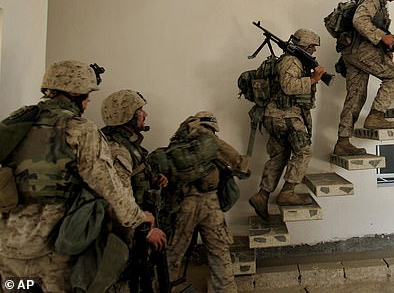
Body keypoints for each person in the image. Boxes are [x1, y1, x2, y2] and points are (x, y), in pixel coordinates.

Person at [0, 60, 151, 292]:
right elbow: (110, 189)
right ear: (74, 93)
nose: (89, 101)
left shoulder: (17, 123)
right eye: (87, 94)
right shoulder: (80, 130)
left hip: (9, 248)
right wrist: (140, 218)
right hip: (51, 253)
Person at [152, 111, 249, 293]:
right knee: (219, 251)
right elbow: (238, 163)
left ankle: (162, 287)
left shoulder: (181, 140)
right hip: (209, 202)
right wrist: (243, 166)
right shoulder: (209, 138)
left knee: (174, 251)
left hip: (183, 202)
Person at [249, 28, 326, 220]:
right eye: (313, 46)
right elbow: (288, 86)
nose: (315, 50)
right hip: (285, 116)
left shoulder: (294, 61)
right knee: (304, 150)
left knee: (280, 155)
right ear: (306, 46)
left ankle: (262, 195)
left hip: (276, 116)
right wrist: (313, 79)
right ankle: (288, 192)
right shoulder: (291, 61)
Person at [100, 89, 168, 289]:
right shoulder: (117, 149)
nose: (145, 114)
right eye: (140, 110)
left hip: (136, 227)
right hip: (127, 233)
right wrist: (144, 231)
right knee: (124, 282)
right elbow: (117, 198)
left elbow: (132, 178)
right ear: (126, 116)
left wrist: (153, 180)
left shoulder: (129, 145)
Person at [332, 0, 394, 156]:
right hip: (360, 50)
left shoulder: (378, 3)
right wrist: (382, 37)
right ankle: (376, 115)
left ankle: (342, 142)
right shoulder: (373, 0)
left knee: (356, 95)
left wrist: (386, 45)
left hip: (352, 52)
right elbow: (359, 21)